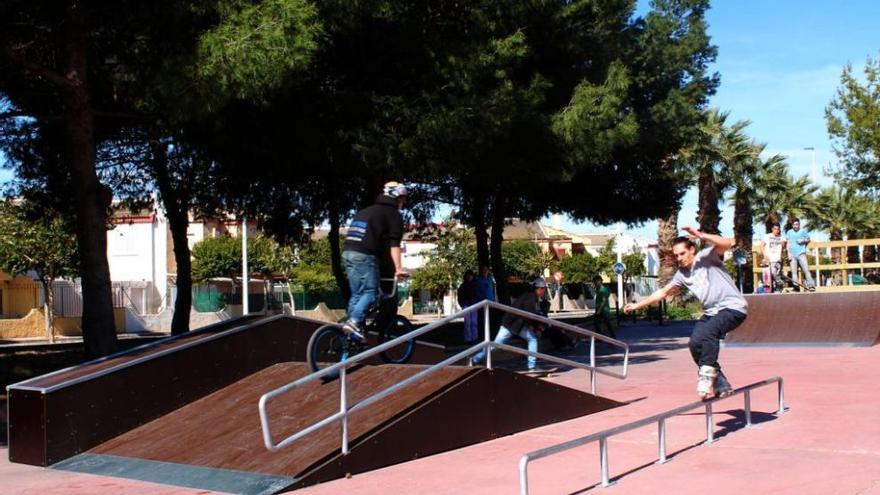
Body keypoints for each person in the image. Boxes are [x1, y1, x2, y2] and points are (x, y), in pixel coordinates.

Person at [623, 227, 748, 399]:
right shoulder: (681, 274)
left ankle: (706, 374)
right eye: (676, 256)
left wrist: (701, 235)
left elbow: (727, 243)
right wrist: (638, 306)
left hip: (733, 308)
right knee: (695, 343)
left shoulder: (707, 257)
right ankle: (720, 381)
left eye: (682, 254)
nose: (679, 258)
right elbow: (663, 292)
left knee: (710, 332)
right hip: (711, 312)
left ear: (692, 250)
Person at [341, 181, 409, 340]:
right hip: (364, 254)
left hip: (348, 252)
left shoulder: (365, 211)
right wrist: (398, 268)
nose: (403, 203)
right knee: (371, 293)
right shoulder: (393, 215)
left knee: (357, 294)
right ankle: (354, 322)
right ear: (396, 197)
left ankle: (349, 331)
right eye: (402, 199)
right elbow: (394, 244)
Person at [470, 278, 549, 372]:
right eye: (544, 289)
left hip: (516, 324)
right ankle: (474, 359)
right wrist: (537, 326)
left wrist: (534, 326)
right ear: (539, 288)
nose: (544, 292)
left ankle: (475, 359)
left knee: (531, 339)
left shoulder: (529, 296)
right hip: (511, 325)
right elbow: (530, 314)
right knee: (496, 345)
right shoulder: (531, 297)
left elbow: (528, 314)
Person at [785, 217, 816, 291]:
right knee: (794, 273)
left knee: (806, 270)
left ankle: (811, 285)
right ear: (792, 225)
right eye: (794, 225)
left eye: (797, 224)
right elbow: (788, 243)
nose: (796, 226)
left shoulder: (803, 231)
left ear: (799, 224)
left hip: (801, 254)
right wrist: (789, 253)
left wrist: (802, 241)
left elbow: (808, 239)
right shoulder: (789, 232)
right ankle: (796, 287)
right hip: (792, 255)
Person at [760, 223, 787, 292]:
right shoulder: (767, 236)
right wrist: (765, 256)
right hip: (769, 259)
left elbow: (784, 246)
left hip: (777, 259)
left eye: (778, 229)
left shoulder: (781, 237)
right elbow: (762, 246)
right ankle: (780, 284)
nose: (776, 230)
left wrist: (784, 245)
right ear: (772, 229)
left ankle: (779, 288)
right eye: (775, 229)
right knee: (771, 274)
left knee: (776, 273)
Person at [457, 270, 479, 343]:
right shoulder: (463, 286)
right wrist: (462, 304)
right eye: (468, 276)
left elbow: (477, 295)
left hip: (474, 305)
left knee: (474, 322)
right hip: (466, 305)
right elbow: (459, 296)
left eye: (471, 275)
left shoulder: (475, 285)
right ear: (465, 277)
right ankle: (468, 339)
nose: (469, 277)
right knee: (467, 323)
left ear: (473, 276)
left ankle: (474, 338)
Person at [592, 275, 616, 339]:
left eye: (595, 282)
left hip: (603, 310)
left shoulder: (603, 290)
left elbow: (604, 301)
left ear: (599, 281)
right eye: (594, 282)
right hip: (601, 310)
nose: (594, 283)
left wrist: (599, 310)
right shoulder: (600, 289)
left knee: (606, 324)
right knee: (598, 323)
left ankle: (611, 337)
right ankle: (601, 337)